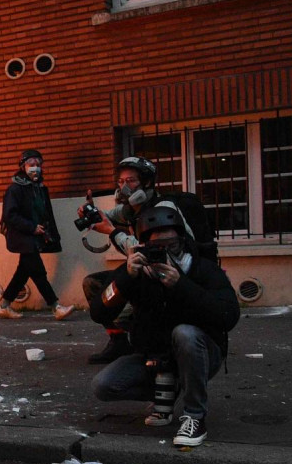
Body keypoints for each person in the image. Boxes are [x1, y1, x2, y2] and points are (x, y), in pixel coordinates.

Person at [88, 204, 239, 447]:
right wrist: (126, 278)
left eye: (173, 245)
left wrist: (181, 286)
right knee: (104, 386)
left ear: (183, 240)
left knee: (185, 333)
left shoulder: (201, 268)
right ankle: (169, 389)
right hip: (154, 359)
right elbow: (98, 311)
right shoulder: (136, 271)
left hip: (199, 354)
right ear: (144, 246)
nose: (166, 253)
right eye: (158, 248)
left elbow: (228, 315)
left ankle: (194, 416)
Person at [79, 155, 212, 364]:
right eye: (121, 182)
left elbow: (147, 249)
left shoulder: (163, 208)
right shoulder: (132, 209)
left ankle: (149, 341)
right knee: (95, 285)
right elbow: (110, 215)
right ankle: (119, 341)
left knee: (135, 300)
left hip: (170, 274)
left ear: (147, 182)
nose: (124, 187)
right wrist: (92, 212)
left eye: (130, 181)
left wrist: (113, 232)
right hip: (146, 272)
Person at [0, 149, 73, 320]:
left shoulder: (39, 189)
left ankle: (4, 306)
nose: (36, 168)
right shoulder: (15, 189)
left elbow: (46, 213)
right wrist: (31, 227)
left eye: (38, 164)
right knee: (38, 272)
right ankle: (55, 306)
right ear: (23, 166)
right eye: (31, 164)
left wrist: (49, 233)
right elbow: (10, 215)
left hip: (34, 236)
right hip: (23, 237)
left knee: (23, 272)